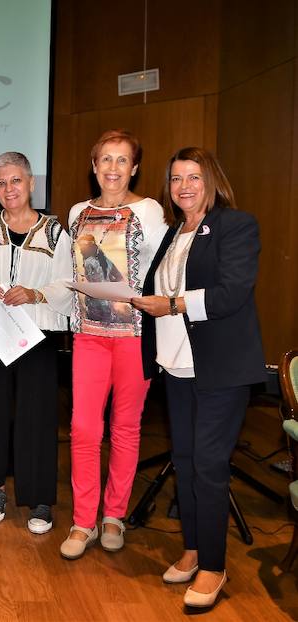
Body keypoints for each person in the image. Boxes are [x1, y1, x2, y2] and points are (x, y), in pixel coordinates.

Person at [133, 147, 264, 609]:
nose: (183, 186)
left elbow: (231, 293)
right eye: (174, 178)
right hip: (176, 366)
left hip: (220, 369)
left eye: (192, 176)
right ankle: (193, 550)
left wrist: (172, 304)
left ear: (211, 180)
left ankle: (213, 565)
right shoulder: (175, 232)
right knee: (187, 463)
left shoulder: (236, 225)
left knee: (208, 467)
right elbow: (159, 290)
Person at [60, 129, 168, 559]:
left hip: (135, 338)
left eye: (122, 160)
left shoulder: (150, 210)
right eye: (105, 159)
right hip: (88, 335)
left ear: (135, 167)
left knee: (125, 429)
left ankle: (113, 516)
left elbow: (163, 270)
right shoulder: (76, 213)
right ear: (93, 165)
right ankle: (83, 520)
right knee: (84, 430)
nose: (112, 168)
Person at [0, 152, 73, 533]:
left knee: (37, 415)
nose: (9, 189)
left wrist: (36, 294)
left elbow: (67, 283)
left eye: (16, 181)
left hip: (37, 335)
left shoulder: (56, 233)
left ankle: (39, 497)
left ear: (30, 184)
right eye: (1, 183)